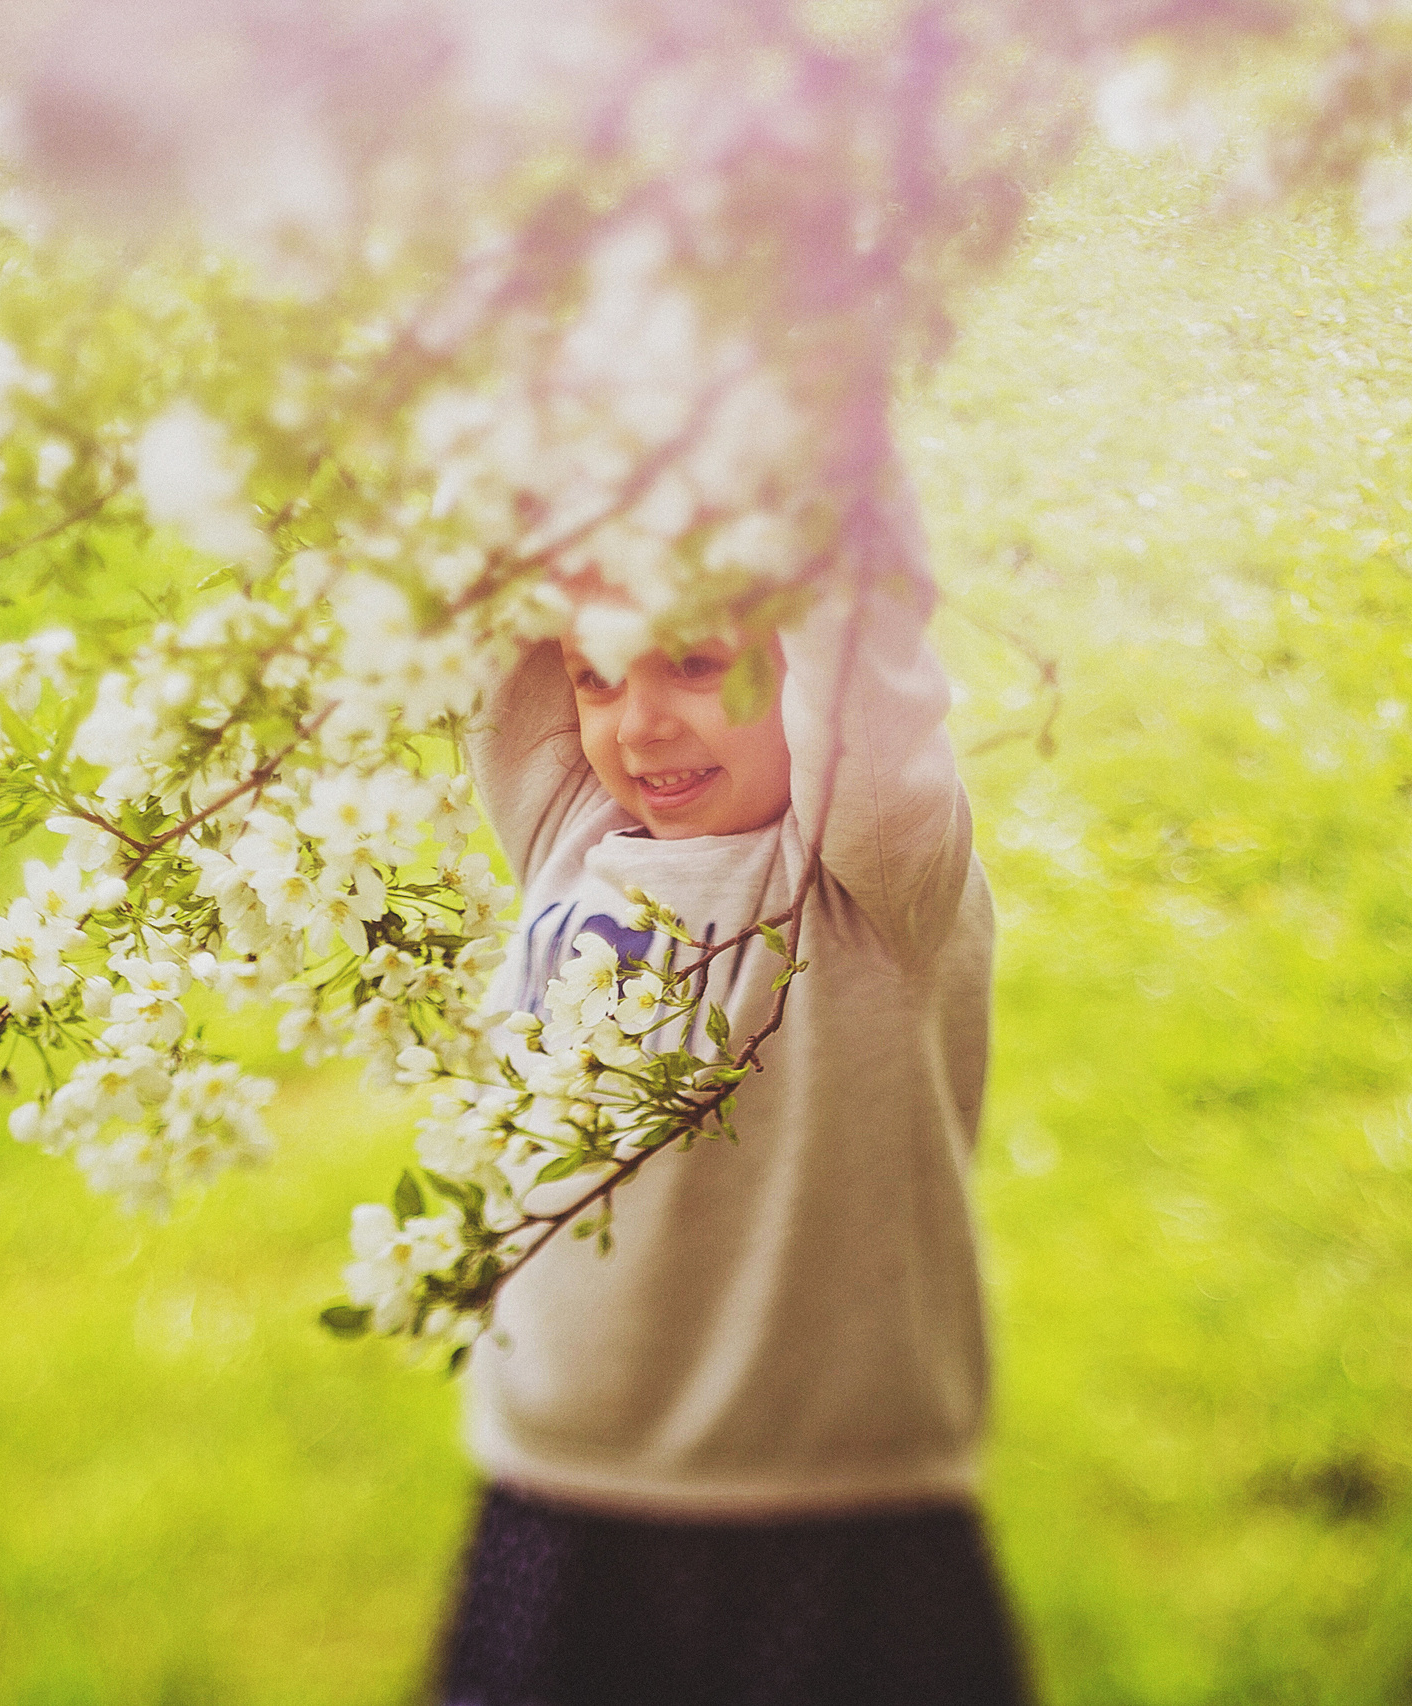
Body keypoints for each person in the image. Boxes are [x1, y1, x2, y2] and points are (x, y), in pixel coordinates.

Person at [437, 470, 1032, 1706]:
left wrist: (799, 406)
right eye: (597, 677)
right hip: (561, 1491)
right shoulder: (569, 830)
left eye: (697, 664)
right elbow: (476, 577)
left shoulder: (871, 873)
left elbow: (866, 651)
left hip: (830, 1506)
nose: (636, 727)